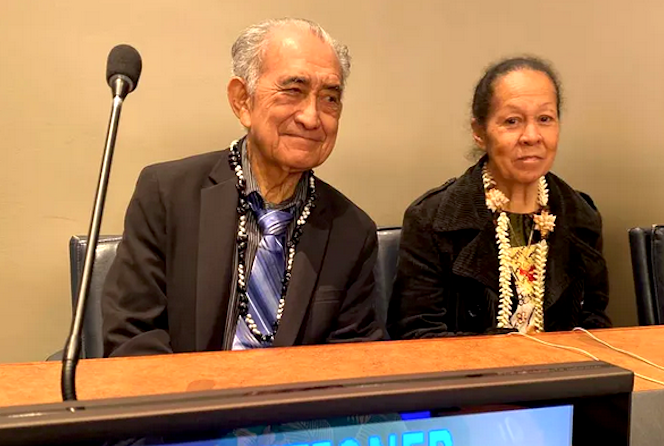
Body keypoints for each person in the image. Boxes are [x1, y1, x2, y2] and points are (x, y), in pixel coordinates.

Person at [102, 18, 383, 356]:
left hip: (299, 407)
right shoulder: (168, 195)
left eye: (330, 98)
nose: (312, 117)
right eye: (293, 90)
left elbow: (355, 359)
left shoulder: (352, 230)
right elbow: (133, 337)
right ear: (242, 101)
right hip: (186, 401)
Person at [388, 57, 611, 339]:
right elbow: (416, 334)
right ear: (479, 132)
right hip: (470, 380)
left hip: (561, 378)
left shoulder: (582, 218)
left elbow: (595, 326)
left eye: (545, 119)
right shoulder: (432, 220)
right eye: (512, 121)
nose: (531, 136)